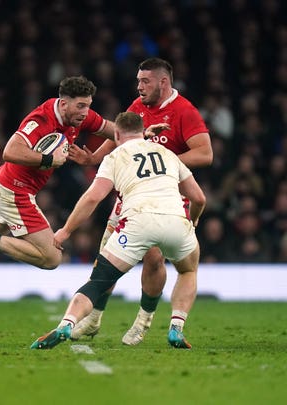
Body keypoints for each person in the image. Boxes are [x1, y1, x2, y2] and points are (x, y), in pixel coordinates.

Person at [30, 111, 206, 350]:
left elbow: (93, 198)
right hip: (176, 220)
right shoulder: (169, 154)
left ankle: (66, 324)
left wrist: (66, 231)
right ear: (143, 132)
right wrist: (192, 223)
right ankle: (176, 328)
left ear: (116, 134)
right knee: (187, 271)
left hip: (137, 222)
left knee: (99, 281)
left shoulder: (115, 156)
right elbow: (198, 198)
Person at [68, 57, 212, 345]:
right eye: (138, 80)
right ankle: (93, 319)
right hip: (131, 197)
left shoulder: (184, 111)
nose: (139, 86)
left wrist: (165, 165)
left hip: (167, 196)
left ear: (163, 82)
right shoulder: (138, 106)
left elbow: (205, 153)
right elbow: (122, 135)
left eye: (145, 81)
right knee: (106, 257)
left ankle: (142, 323)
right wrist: (95, 158)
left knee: (154, 257)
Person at [0, 75, 117, 282]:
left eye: (88, 106)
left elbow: (118, 132)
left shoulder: (80, 116)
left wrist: (95, 157)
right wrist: (48, 159)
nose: (85, 112)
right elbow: (9, 151)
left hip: (7, 185)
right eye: (81, 106)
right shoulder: (41, 119)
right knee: (51, 257)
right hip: (14, 190)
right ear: (64, 103)